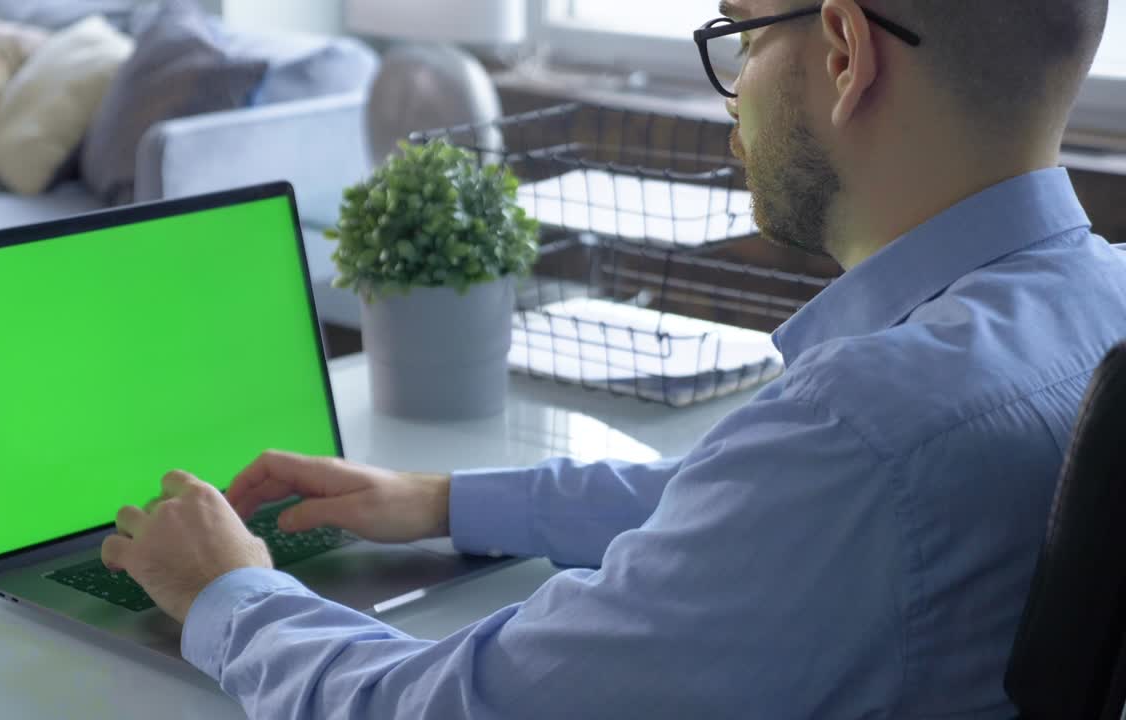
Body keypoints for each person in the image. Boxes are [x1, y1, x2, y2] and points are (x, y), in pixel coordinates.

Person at [100, 0, 1126, 716]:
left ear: (845, 51)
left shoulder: (860, 435)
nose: (734, 92)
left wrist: (228, 595)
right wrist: (443, 501)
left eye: (737, 30)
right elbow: (744, 511)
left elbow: (453, 709)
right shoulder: (1097, 300)